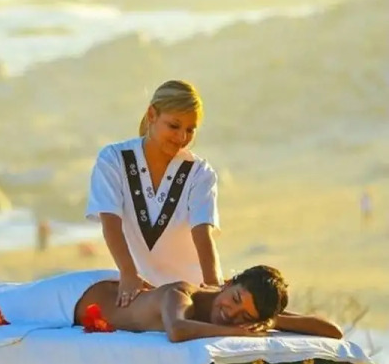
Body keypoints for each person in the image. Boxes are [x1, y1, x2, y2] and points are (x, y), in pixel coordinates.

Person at [86, 79, 222, 308]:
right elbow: (110, 223)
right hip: (140, 293)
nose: (182, 137)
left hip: (191, 294)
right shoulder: (113, 159)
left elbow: (202, 233)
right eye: (174, 126)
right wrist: (128, 274)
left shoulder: (199, 172)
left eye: (190, 130)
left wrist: (213, 288)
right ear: (152, 114)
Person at [74, 264, 342, 342]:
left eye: (245, 316)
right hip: (75, 296)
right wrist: (238, 332)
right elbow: (177, 330)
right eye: (235, 299)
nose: (231, 313)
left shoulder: (244, 313)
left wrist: (271, 321)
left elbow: (333, 331)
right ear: (228, 283)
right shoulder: (181, 294)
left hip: (94, 303)